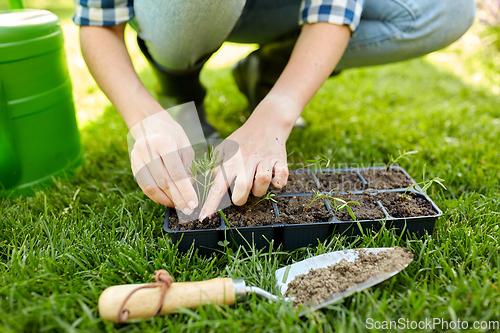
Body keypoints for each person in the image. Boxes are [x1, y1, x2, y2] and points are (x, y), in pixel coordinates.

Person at [74, 0, 475, 220]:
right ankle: (180, 88)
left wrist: (276, 114)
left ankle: (269, 73)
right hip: (181, 11)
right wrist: (145, 118)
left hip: (276, 7)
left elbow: (333, 9)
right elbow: (97, 20)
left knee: (448, 8)